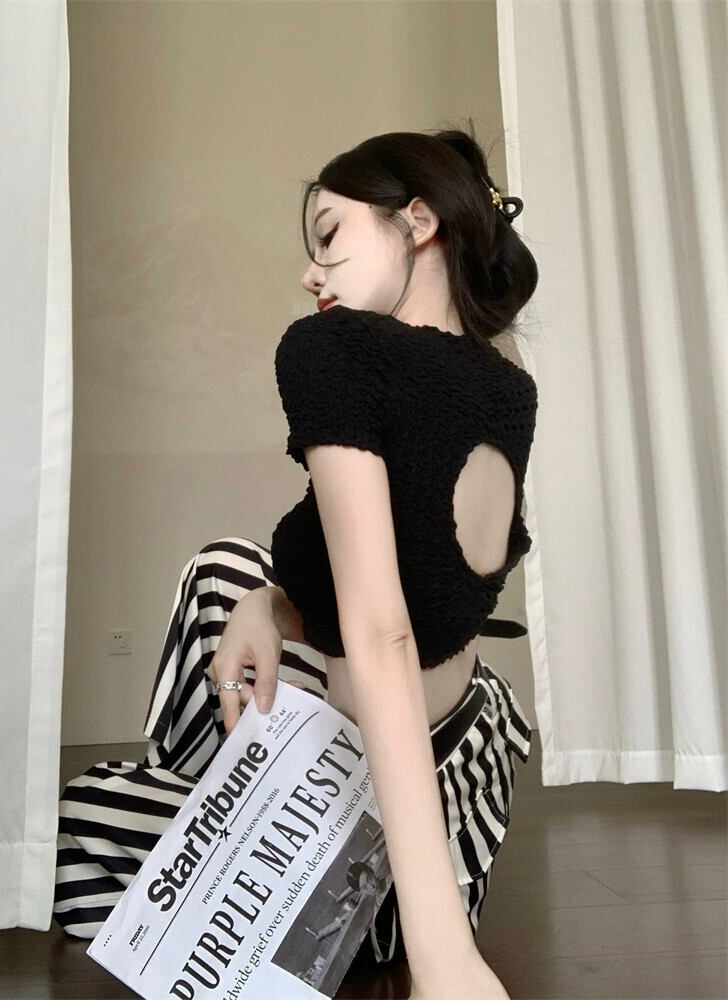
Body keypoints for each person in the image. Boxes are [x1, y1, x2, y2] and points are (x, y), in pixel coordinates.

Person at [53, 121, 538, 1000]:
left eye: (329, 235)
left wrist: (446, 962)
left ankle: (209, 815)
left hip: (359, 864)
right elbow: (425, 594)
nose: (311, 273)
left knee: (81, 812)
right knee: (236, 574)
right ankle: (223, 808)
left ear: (418, 221)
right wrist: (269, 607)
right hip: (465, 807)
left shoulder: (335, 350)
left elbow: (384, 633)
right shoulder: (507, 389)